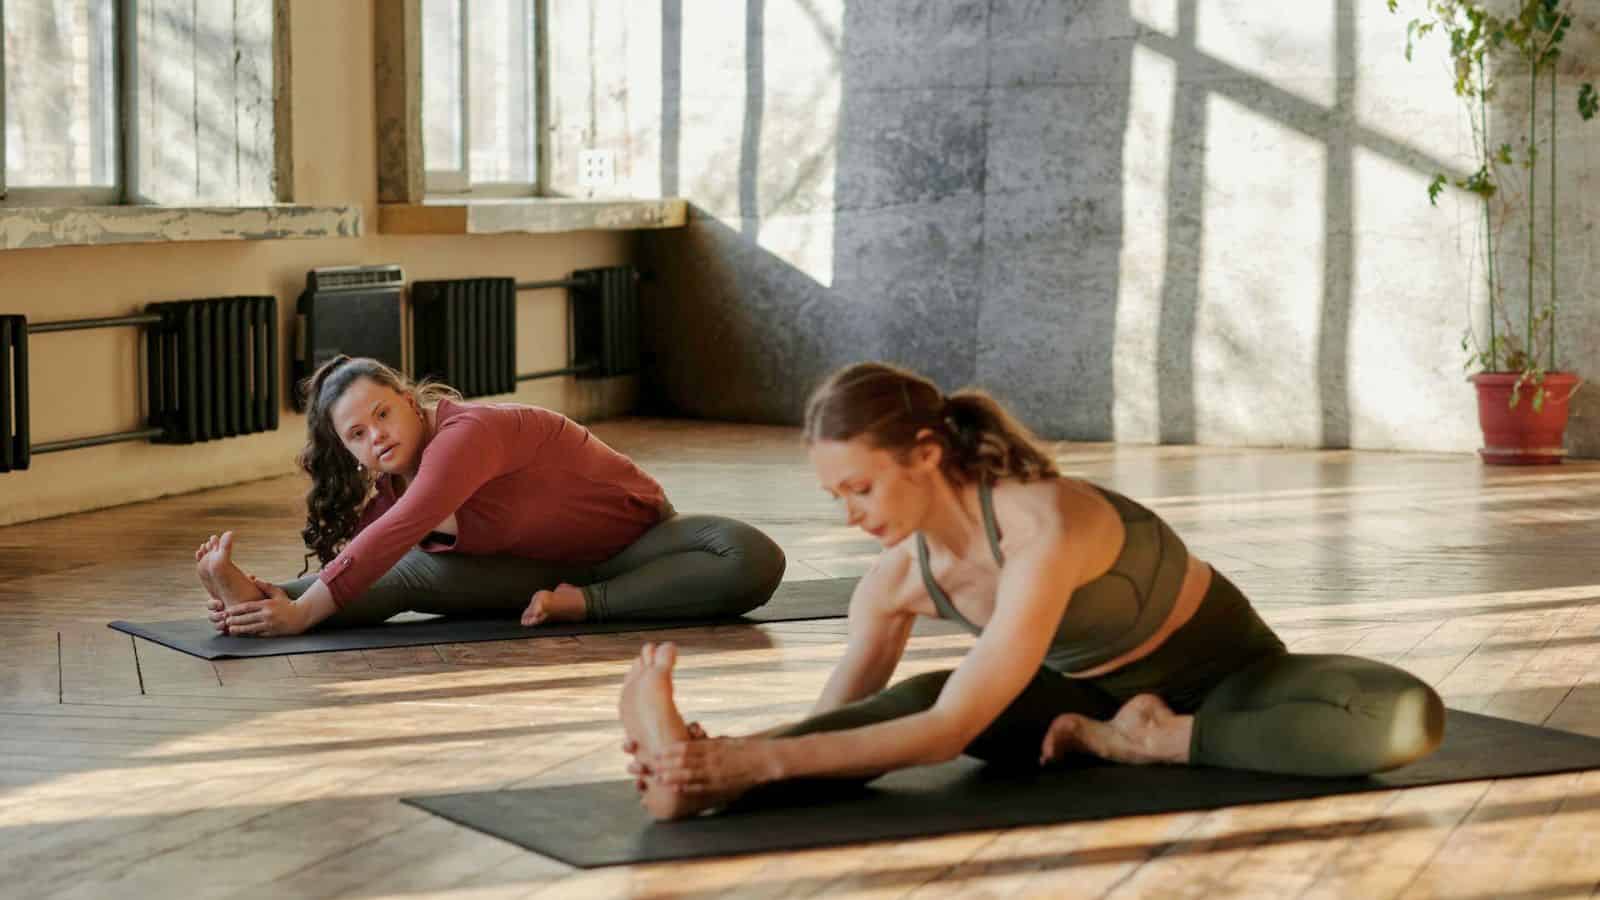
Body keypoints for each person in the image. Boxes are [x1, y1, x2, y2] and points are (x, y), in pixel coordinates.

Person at [618, 361, 1445, 820]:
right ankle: (680, 776)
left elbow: (951, 734)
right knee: (897, 707)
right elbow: (839, 725)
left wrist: (763, 758)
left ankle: (1147, 740)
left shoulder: (1042, 524)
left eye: (860, 489)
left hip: (1239, 687)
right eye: (834, 496)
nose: (849, 516)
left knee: (1397, 717)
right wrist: (720, 760)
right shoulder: (896, 583)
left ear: (924, 455)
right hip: (1055, 707)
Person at [195, 355, 786, 637]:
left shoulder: (467, 433)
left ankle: (587, 604)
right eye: (357, 434)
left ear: (409, 400)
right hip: (530, 573)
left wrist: (302, 615)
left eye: (382, 413)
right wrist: (288, 603)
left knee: (750, 554)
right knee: (404, 574)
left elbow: (402, 526)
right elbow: (369, 560)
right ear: (348, 449)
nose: (376, 434)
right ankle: (250, 603)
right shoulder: (389, 485)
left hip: (638, 546)